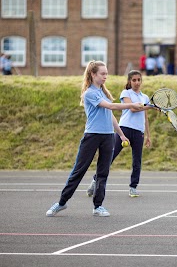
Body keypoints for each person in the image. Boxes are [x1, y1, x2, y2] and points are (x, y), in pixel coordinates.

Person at [46, 61, 143, 217]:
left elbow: (109, 115)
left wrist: (120, 134)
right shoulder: (89, 93)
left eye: (106, 73)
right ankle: (61, 203)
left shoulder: (103, 93)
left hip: (108, 137)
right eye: (102, 73)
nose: (106, 76)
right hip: (92, 136)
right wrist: (132, 105)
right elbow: (111, 107)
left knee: (103, 172)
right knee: (79, 170)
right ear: (93, 74)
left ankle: (98, 206)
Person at [87, 70, 153, 198]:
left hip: (139, 132)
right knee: (110, 157)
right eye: (134, 80)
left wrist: (148, 135)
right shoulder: (126, 93)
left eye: (139, 80)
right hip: (124, 129)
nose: (137, 82)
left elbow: (145, 117)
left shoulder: (144, 97)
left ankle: (133, 187)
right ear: (129, 81)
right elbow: (133, 109)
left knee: (137, 161)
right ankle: (95, 181)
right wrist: (150, 106)